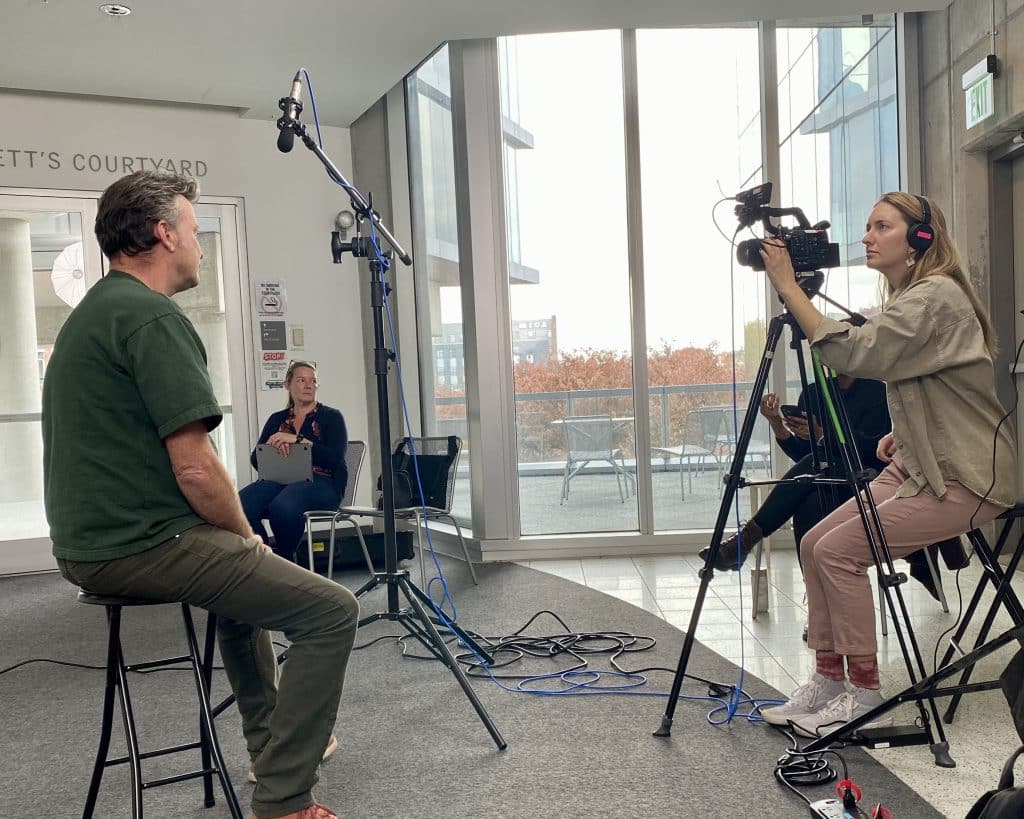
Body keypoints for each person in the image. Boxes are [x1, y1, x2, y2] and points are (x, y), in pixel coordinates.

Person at [41, 170, 356, 819]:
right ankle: (284, 798)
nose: (201, 247)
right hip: (138, 542)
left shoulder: (93, 313)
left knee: (240, 596)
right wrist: (245, 537)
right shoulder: (151, 316)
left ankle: (270, 750)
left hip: (90, 543)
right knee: (331, 611)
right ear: (164, 233)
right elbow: (195, 468)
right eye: (192, 229)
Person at [756, 192, 1017, 738]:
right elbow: (942, 378)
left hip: (965, 477)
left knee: (837, 553)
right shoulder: (916, 298)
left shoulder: (933, 296)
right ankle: (829, 681)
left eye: (882, 226)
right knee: (812, 544)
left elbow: (858, 354)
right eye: (868, 226)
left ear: (920, 237)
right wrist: (905, 430)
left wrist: (786, 286)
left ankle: (868, 694)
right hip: (922, 463)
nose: (867, 236)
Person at [699, 375, 890, 574]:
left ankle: (744, 541)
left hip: (864, 478)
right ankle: (817, 584)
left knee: (812, 479)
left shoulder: (876, 391)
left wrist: (822, 435)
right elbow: (804, 456)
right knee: (811, 501)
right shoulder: (814, 392)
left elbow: (871, 450)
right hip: (825, 481)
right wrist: (777, 425)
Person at [240, 361, 348, 565]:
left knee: (283, 505)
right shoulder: (277, 419)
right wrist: (274, 449)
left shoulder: (332, 417)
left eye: (313, 381)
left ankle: (285, 561)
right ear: (287, 385)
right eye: (301, 380)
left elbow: (335, 459)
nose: (308, 385)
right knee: (240, 506)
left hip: (324, 483)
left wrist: (300, 441)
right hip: (282, 480)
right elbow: (256, 458)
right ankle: (266, 559)